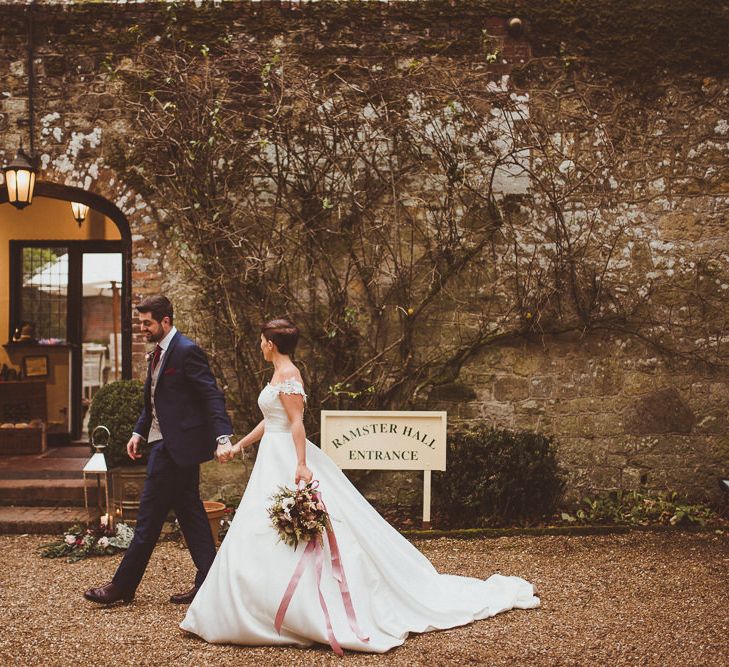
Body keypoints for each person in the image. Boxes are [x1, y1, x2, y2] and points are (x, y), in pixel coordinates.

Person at [180, 318, 539, 654]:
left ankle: (299, 610)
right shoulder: (276, 375)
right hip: (270, 454)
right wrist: (241, 445)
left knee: (293, 527)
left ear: (271, 344)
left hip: (286, 457)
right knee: (258, 530)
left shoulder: (289, 375)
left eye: (262, 340)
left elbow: (295, 424)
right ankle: (252, 605)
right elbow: (269, 421)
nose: (259, 345)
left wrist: (302, 464)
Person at [84, 295, 235, 606]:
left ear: (165, 321)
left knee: (149, 518)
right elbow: (154, 401)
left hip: (174, 449)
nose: (142, 328)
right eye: (141, 322)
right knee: (191, 516)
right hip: (164, 446)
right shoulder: (157, 352)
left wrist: (222, 437)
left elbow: (211, 396)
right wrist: (139, 431)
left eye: (147, 323)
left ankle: (122, 586)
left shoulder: (186, 350)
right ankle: (213, 583)